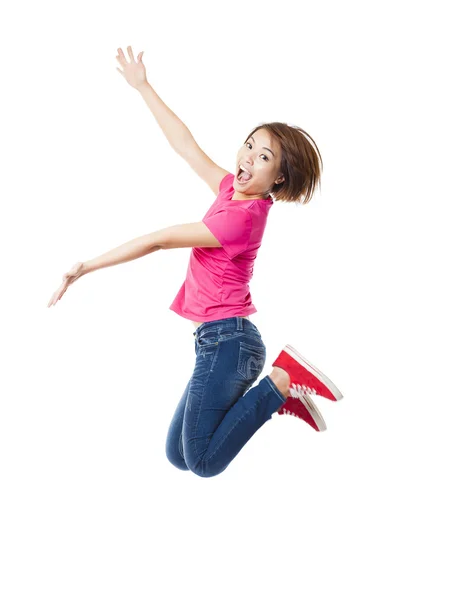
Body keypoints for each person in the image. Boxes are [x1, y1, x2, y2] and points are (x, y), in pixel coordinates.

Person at [47, 46, 344, 478]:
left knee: (203, 462)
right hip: (216, 341)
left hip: (230, 343)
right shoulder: (232, 192)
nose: (247, 158)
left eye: (264, 157)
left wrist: (88, 266)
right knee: (178, 455)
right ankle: (280, 394)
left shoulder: (241, 219)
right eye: (249, 145)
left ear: (278, 177)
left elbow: (160, 240)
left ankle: (281, 382)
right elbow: (185, 146)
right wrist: (143, 86)